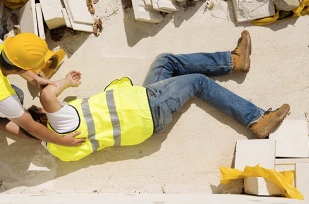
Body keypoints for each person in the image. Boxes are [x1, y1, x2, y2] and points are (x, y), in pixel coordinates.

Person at [31, 30, 290, 161]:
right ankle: (256, 119)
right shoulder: (63, 122)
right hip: (148, 107)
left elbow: (23, 129)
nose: (54, 106)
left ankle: (234, 61)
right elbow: (47, 95)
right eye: (46, 111)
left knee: (164, 61)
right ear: (45, 119)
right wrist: (65, 81)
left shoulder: (57, 148)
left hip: (143, 107)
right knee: (198, 82)